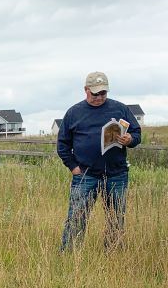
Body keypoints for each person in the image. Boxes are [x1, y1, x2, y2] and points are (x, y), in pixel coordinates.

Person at [56, 72, 141, 251]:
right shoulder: (73, 113)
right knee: (77, 217)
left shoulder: (120, 109)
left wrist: (130, 140)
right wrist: (73, 167)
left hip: (116, 174)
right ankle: (69, 255)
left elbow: (136, 133)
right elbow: (63, 144)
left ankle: (113, 255)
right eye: (95, 93)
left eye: (103, 93)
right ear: (86, 90)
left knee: (115, 217)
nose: (99, 97)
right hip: (85, 175)